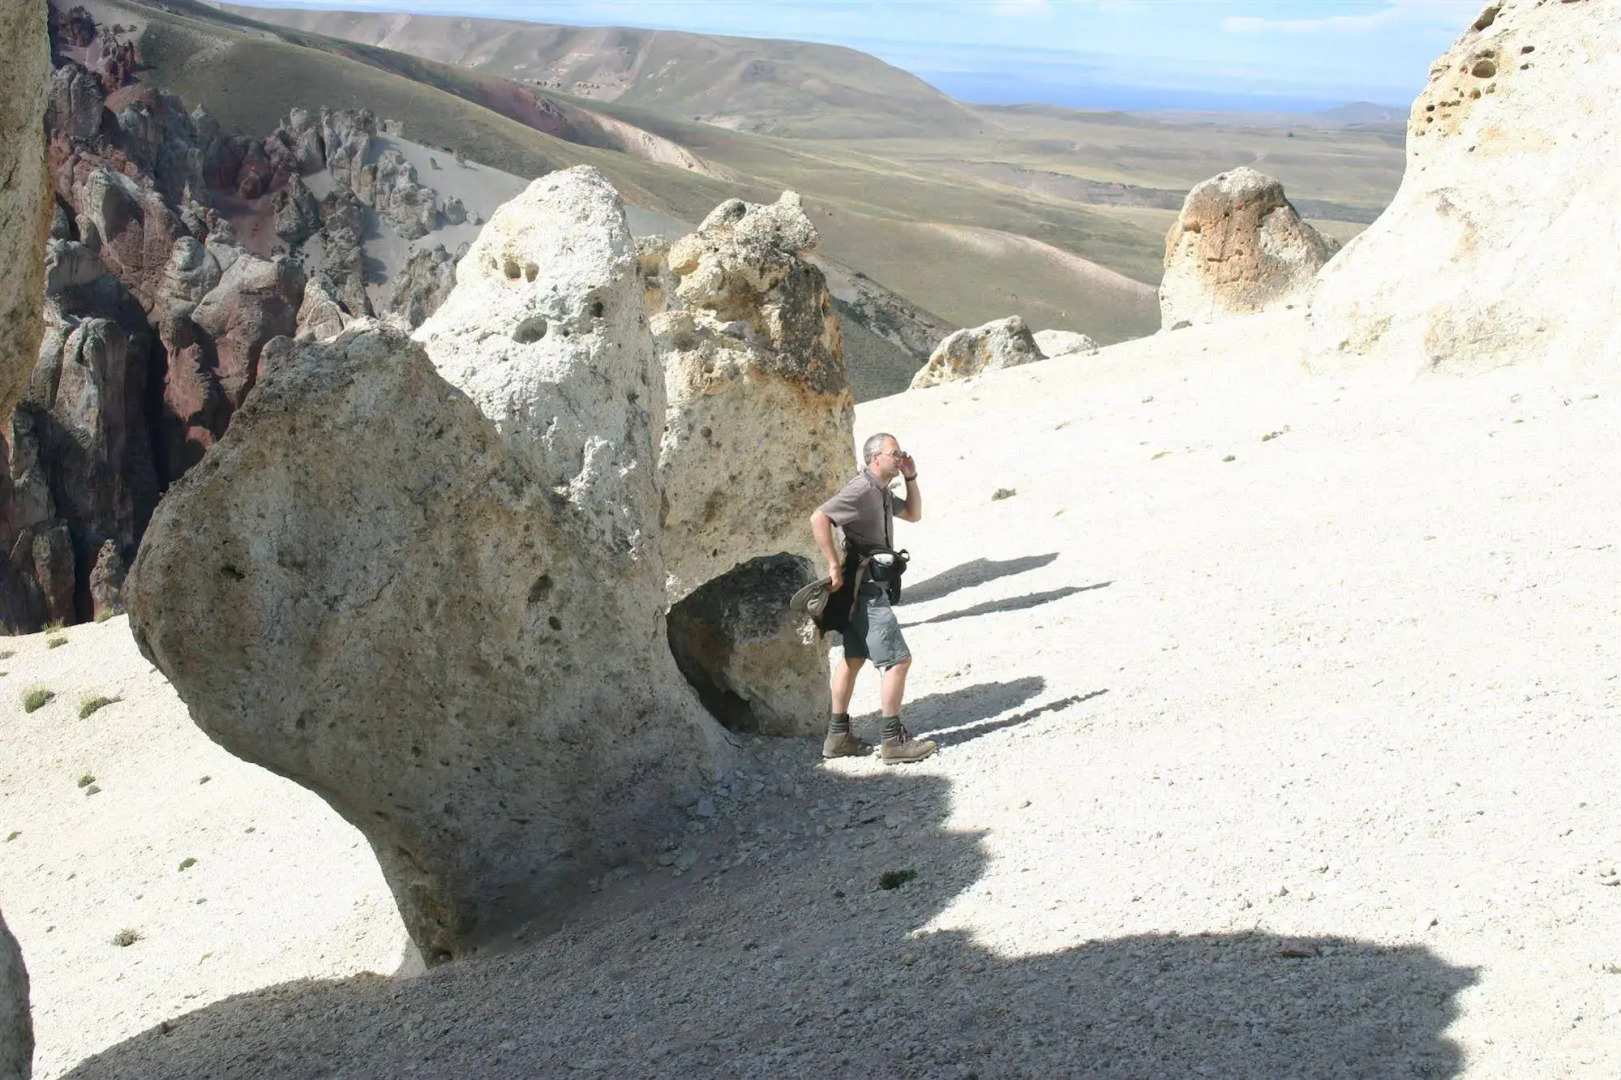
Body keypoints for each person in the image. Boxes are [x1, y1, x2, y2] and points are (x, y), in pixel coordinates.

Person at [809, 432, 937, 764]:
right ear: (875, 457)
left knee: (852, 659)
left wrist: (911, 478)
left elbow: (913, 514)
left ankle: (837, 737)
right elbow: (819, 517)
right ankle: (893, 742)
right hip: (866, 592)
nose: (901, 457)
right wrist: (832, 564)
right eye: (896, 453)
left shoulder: (880, 491)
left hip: (859, 590)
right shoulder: (861, 488)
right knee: (897, 661)